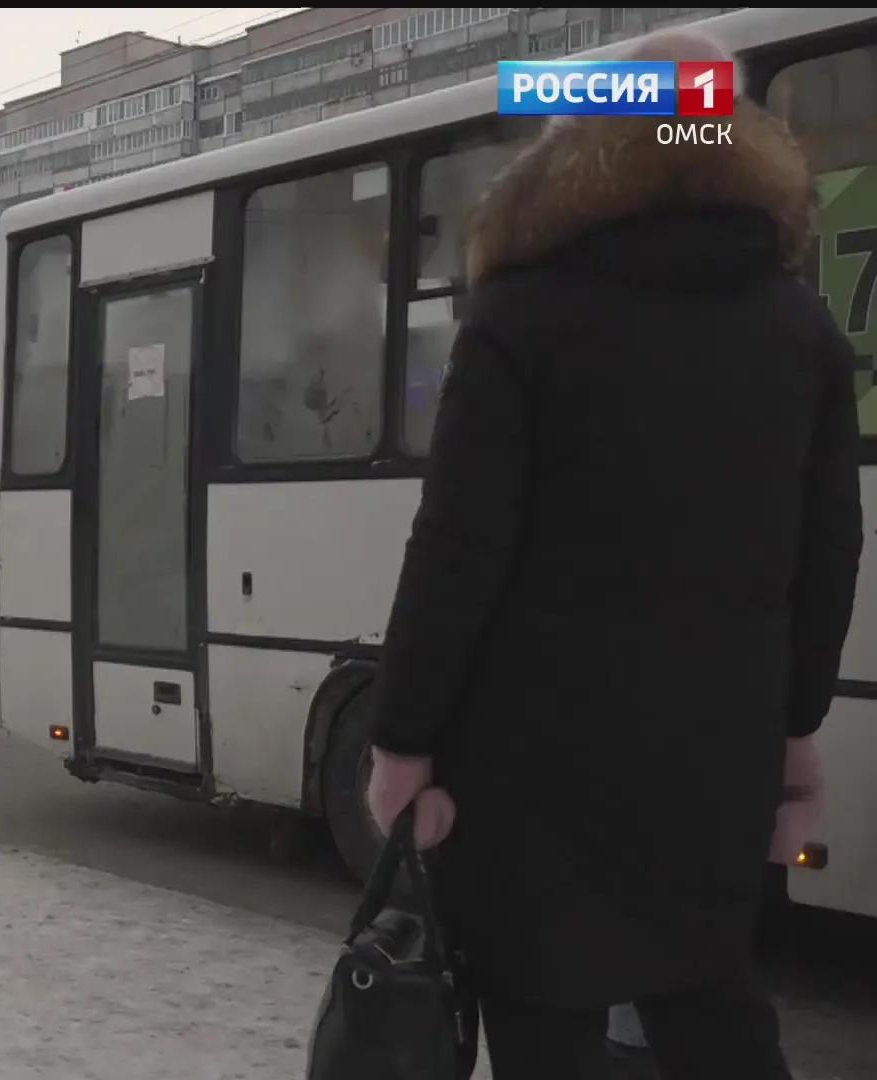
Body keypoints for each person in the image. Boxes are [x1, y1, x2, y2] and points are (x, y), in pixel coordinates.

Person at [362, 28, 862, 1080]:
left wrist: (404, 743)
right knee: (712, 999)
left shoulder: (521, 318)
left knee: (546, 1020)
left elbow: (457, 549)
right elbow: (828, 552)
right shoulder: (800, 326)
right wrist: (794, 728)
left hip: (527, 761)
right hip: (717, 752)